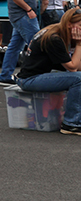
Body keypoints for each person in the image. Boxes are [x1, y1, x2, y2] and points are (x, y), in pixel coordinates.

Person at [15, 7, 81, 135]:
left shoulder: (56, 30)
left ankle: (76, 118)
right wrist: (79, 44)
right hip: (30, 80)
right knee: (79, 79)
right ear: (69, 24)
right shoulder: (54, 38)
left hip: (42, 74)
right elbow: (73, 68)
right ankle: (71, 124)